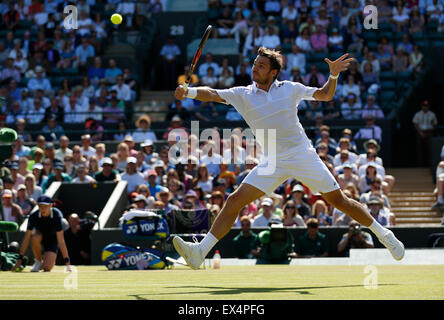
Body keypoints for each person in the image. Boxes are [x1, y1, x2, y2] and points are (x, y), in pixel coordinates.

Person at [172, 46, 404, 269]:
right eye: (255, 64)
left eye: (261, 65)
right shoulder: (242, 94)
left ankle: (384, 235)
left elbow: (324, 95)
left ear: (273, 72)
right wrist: (189, 92)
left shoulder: (290, 88)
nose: (255, 68)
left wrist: (333, 76)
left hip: (302, 155)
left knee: (340, 201)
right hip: (272, 162)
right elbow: (211, 94)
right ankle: (199, 252)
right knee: (234, 200)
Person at [11, 195, 71, 272]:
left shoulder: (57, 215)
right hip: (39, 238)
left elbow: (61, 241)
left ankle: (47, 260)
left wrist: (67, 263)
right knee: (35, 236)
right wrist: (19, 261)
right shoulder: (33, 216)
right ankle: (38, 261)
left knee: (47, 268)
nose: (42, 209)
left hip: (52, 240)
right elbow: (26, 238)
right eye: (40, 206)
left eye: (45, 206)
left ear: (51, 205)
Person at [412, 100, 438, 167]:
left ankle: (430, 166)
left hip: (429, 133)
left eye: (426, 106)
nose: (425, 107)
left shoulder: (432, 114)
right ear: (422, 106)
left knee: (429, 150)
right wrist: (420, 132)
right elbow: (415, 124)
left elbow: (435, 125)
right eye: (424, 105)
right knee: (419, 151)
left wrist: (429, 132)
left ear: (428, 107)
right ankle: (420, 166)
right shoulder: (418, 114)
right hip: (420, 133)